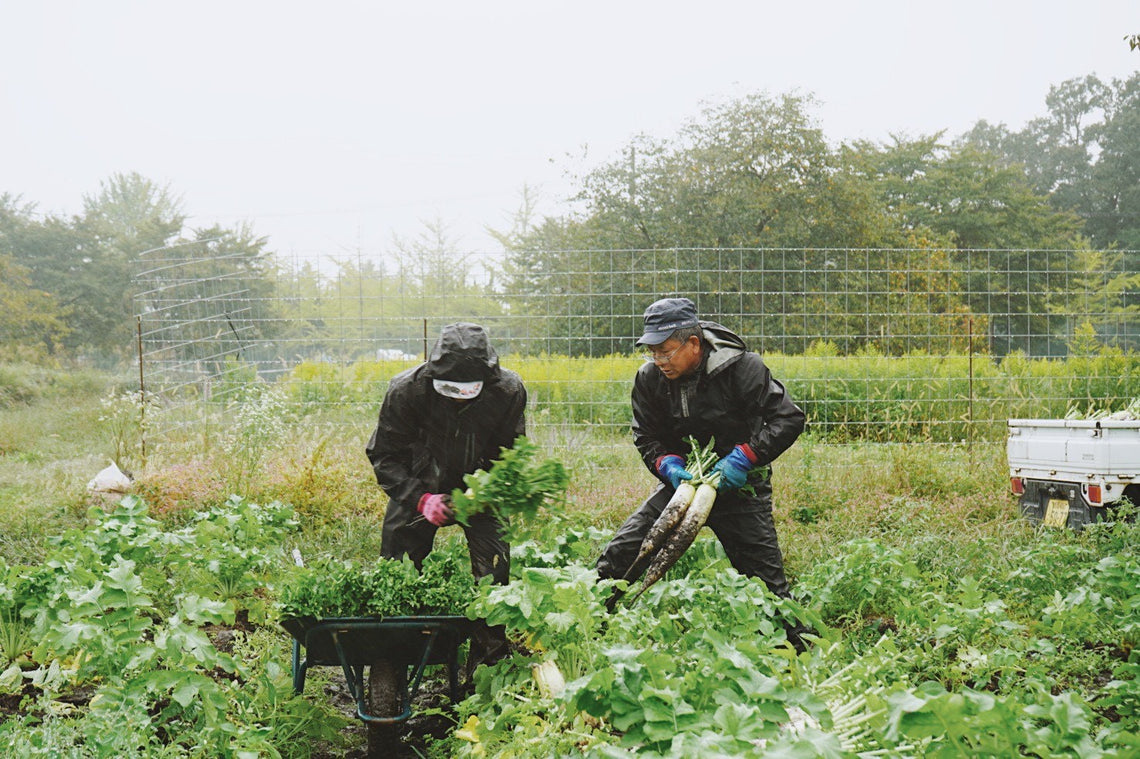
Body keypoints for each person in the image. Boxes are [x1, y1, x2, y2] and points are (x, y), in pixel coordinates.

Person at [596, 297, 810, 645]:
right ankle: (588, 620)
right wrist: (665, 464)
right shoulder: (649, 378)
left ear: (693, 344)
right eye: (652, 351)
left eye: (665, 351)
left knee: (767, 586)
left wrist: (745, 457)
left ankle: (798, 651)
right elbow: (645, 434)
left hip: (739, 486)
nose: (658, 360)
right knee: (623, 553)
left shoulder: (743, 368)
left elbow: (788, 418)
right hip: (682, 486)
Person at [366, 322, 526, 674]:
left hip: (481, 488)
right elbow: (385, 456)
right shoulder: (406, 391)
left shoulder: (508, 390)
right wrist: (421, 499)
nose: (455, 397)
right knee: (397, 572)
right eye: (448, 388)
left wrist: (484, 488)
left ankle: (487, 669)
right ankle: (394, 658)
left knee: (494, 574)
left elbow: (511, 453)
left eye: (466, 390)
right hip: (418, 485)